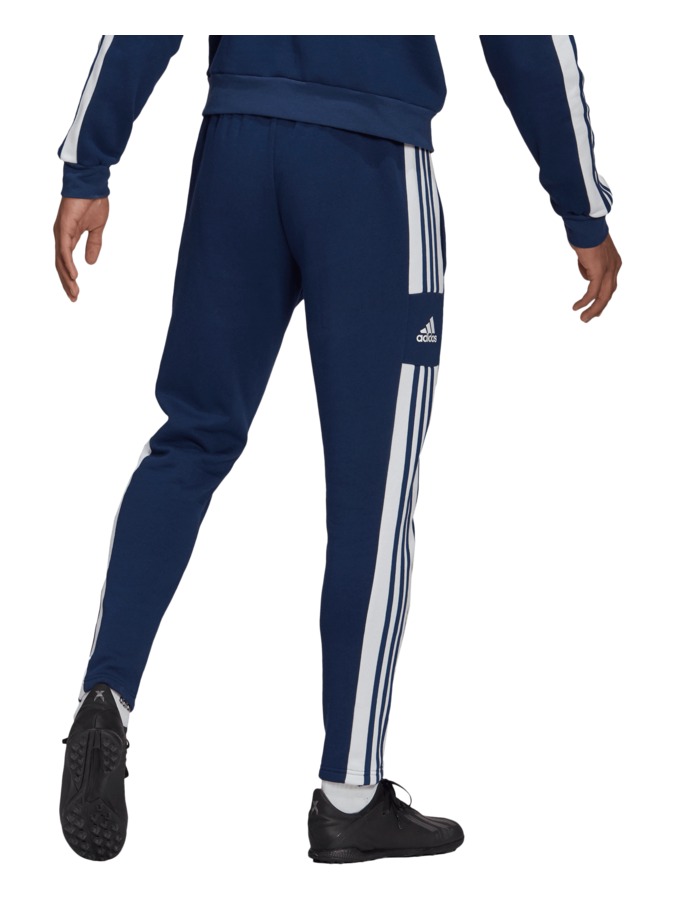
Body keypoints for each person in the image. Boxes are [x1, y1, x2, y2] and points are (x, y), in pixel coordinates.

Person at [55, 35, 622, 864]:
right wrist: (582, 208)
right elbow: (527, 36)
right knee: (373, 496)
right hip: (370, 166)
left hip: (237, 147)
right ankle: (349, 796)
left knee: (192, 438)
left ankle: (106, 694)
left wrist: (88, 165)